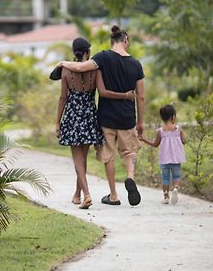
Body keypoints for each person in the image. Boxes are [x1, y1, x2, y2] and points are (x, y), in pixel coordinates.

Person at [56, 26, 145, 206]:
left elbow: (74, 78)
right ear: (126, 40)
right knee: (128, 151)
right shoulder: (133, 65)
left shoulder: (99, 59)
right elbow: (139, 96)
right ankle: (128, 177)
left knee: (102, 157)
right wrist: (138, 117)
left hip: (97, 117)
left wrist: (63, 63)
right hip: (112, 117)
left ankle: (106, 194)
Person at [139, 104, 186, 204]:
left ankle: (166, 197)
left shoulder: (160, 131)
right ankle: (176, 189)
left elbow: (155, 144)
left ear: (162, 117)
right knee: (176, 177)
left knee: (165, 179)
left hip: (164, 160)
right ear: (173, 116)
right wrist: (181, 135)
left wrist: (144, 139)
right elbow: (184, 141)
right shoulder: (178, 129)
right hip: (176, 159)